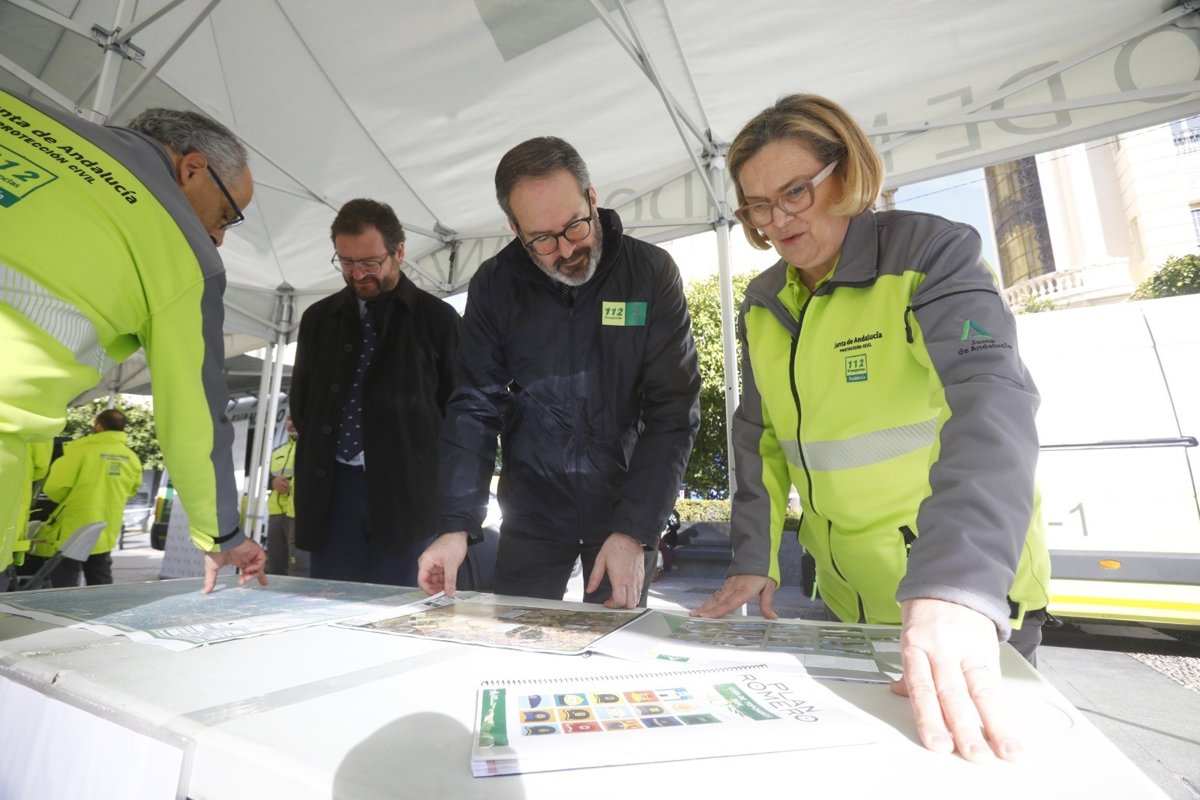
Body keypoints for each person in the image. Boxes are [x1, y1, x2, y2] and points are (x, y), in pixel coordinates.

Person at [691, 94, 1052, 762]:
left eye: (795, 192)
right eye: (759, 206)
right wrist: (753, 559)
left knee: (966, 766)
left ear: (848, 172)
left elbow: (991, 399)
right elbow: (759, 436)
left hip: (956, 605)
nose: (778, 220)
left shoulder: (934, 254)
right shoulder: (763, 302)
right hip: (845, 601)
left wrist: (959, 585)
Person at [0, 89, 267, 593]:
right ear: (192, 169)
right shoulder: (184, 253)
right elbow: (194, 413)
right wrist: (221, 533)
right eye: (228, 214)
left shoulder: (16, 111)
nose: (219, 237)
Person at [418, 136, 701, 609]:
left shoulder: (649, 273)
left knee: (616, 642)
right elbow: (474, 407)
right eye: (543, 239)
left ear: (592, 197)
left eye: (575, 226)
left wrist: (636, 529)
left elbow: (672, 411)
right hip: (532, 516)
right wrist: (455, 525)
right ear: (515, 229)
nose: (567, 249)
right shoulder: (496, 285)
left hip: (623, 510)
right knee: (516, 638)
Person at [289, 199, 461, 585]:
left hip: (407, 497)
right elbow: (302, 405)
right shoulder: (318, 319)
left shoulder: (438, 320)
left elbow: (458, 414)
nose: (357, 274)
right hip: (332, 494)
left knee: (402, 606)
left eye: (369, 262)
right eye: (346, 262)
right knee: (333, 605)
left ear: (399, 252)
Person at [26, 409, 142, 587]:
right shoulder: (132, 458)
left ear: (99, 425)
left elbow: (54, 488)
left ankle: (64, 605)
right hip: (106, 528)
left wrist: (70, 501)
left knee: (65, 578)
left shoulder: (80, 452)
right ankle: (103, 604)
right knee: (100, 577)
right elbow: (131, 490)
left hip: (73, 527)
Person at [265, 413, 306, 576]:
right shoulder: (277, 451)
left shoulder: (312, 448)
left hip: (298, 514)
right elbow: (265, 477)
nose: (292, 422)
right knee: (275, 566)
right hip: (276, 514)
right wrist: (273, 481)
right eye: (289, 418)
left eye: (295, 417)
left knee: (298, 567)